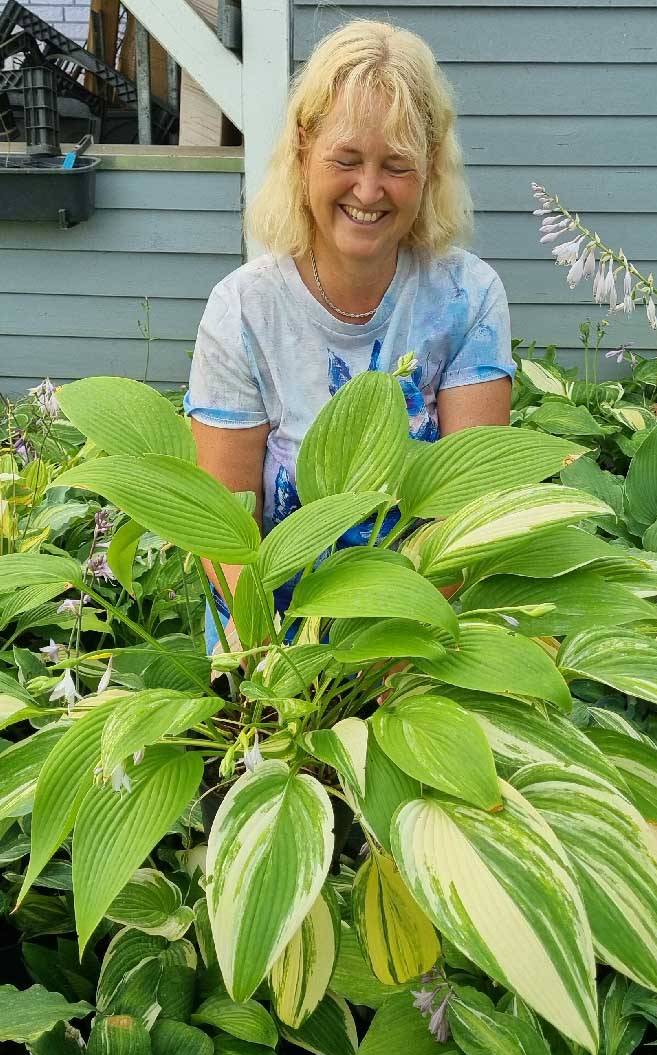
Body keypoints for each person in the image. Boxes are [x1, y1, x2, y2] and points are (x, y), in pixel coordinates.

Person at [183, 19, 516, 653]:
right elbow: (226, 536)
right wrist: (277, 663)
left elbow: (460, 512)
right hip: (268, 624)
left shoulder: (466, 298)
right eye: (346, 159)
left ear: (430, 168)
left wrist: (401, 649)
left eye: (396, 165)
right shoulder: (244, 312)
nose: (368, 190)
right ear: (304, 148)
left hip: (420, 611)